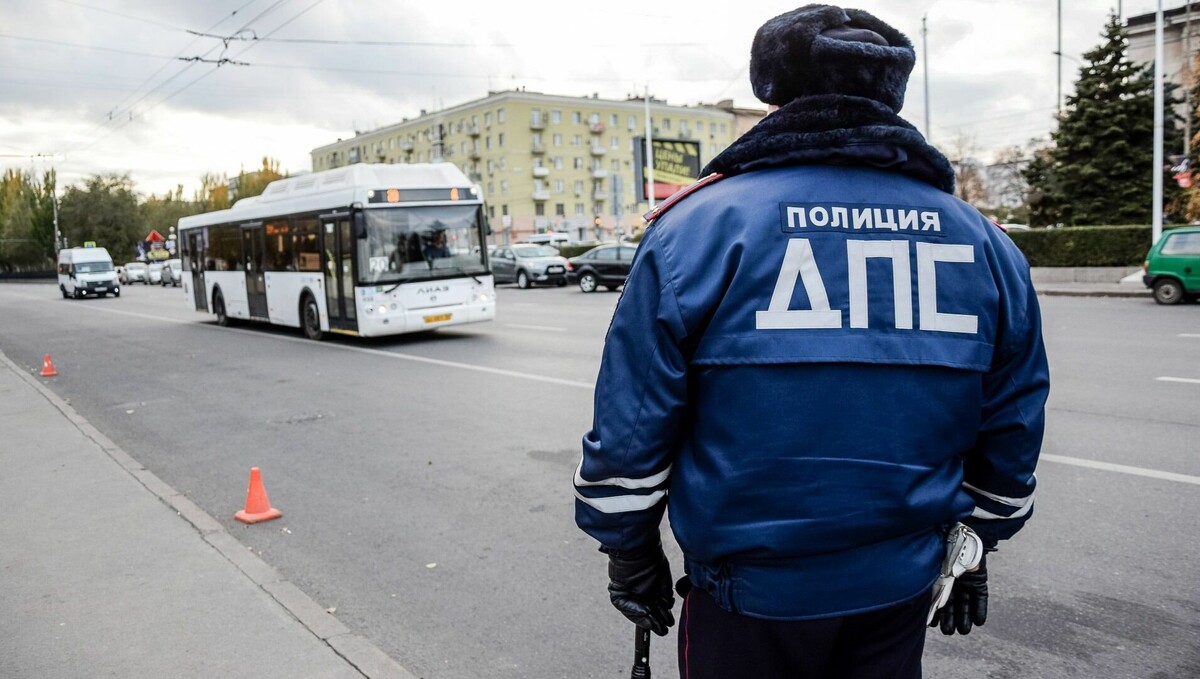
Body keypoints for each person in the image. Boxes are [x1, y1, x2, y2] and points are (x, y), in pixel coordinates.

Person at [573, 5, 1049, 678]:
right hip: (898, 593)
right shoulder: (984, 243)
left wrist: (629, 548)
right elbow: (1014, 422)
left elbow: (630, 426)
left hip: (747, 600)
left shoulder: (697, 229)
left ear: (776, 91)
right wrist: (977, 543)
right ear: (892, 93)